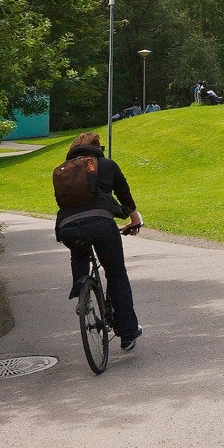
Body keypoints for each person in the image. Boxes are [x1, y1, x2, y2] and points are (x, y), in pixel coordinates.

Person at [54, 132, 144, 351]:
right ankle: (128, 333)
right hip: (101, 224)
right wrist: (134, 219)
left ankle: (82, 289)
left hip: (68, 226)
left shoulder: (64, 170)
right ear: (98, 148)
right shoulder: (107, 165)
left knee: (79, 252)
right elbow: (124, 195)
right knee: (116, 273)